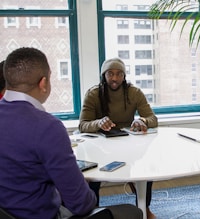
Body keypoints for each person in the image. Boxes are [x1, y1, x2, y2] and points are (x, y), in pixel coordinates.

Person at [0, 47, 143, 219]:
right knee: (132, 212)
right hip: (42, 214)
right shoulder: (47, 127)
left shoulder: (133, 92)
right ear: (43, 83)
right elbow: (81, 204)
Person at [79, 57, 158, 219]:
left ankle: (144, 207)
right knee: (93, 175)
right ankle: (94, 211)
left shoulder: (134, 93)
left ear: (124, 76)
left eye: (119, 74)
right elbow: (83, 125)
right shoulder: (93, 94)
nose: (114, 78)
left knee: (146, 172)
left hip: (128, 144)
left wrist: (141, 120)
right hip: (100, 146)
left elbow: (153, 119)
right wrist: (98, 123)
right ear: (103, 75)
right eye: (110, 74)